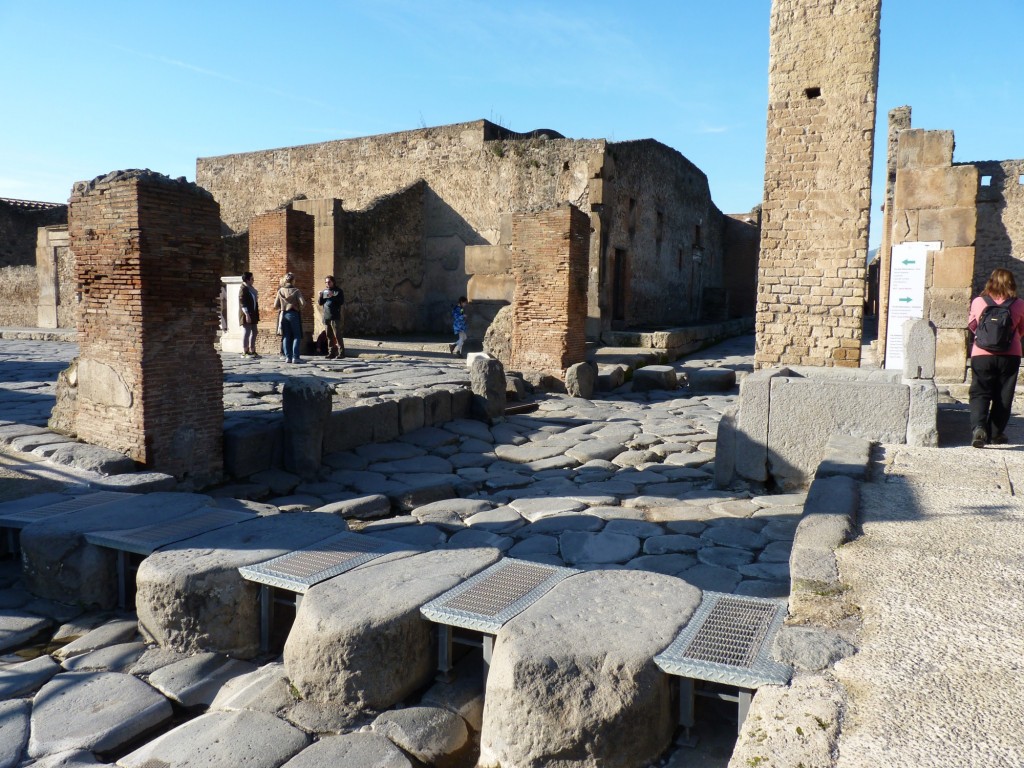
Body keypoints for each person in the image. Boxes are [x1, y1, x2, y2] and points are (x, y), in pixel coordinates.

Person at [967, 267, 1024, 447]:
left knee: (980, 392)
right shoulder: (1019, 304)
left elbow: (972, 325)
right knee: (1003, 394)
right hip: (1010, 355)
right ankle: (995, 434)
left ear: (991, 282)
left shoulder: (979, 302)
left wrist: (986, 338)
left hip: (982, 354)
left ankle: (979, 428)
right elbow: (1022, 329)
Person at [273, 272, 305, 364]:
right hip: (294, 314)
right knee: (297, 335)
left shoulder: (280, 291)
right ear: (293, 280)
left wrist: (283, 306)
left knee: (286, 335)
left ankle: (288, 357)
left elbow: (275, 305)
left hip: (283, 315)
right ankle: (295, 357)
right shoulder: (296, 291)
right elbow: (303, 303)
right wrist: (297, 308)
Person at [318, 275, 345, 359]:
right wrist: (320, 296)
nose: (327, 284)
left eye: (329, 282)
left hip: (334, 316)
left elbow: (341, 302)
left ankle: (341, 353)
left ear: (333, 282)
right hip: (326, 316)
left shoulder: (338, 291)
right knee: (329, 336)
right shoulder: (325, 291)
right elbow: (320, 303)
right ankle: (331, 352)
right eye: (326, 282)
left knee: (337, 335)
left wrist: (332, 296)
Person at [239, 272, 260, 358]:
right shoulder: (243, 289)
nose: (253, 280)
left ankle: (252, 350)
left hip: (253, 313)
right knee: (247, 332)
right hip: (246, 313)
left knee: (255, 331)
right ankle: (245, 351)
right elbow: (242, 302)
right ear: (247, 280)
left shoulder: (251, 288)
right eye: (252, 279)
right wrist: (247, 314)